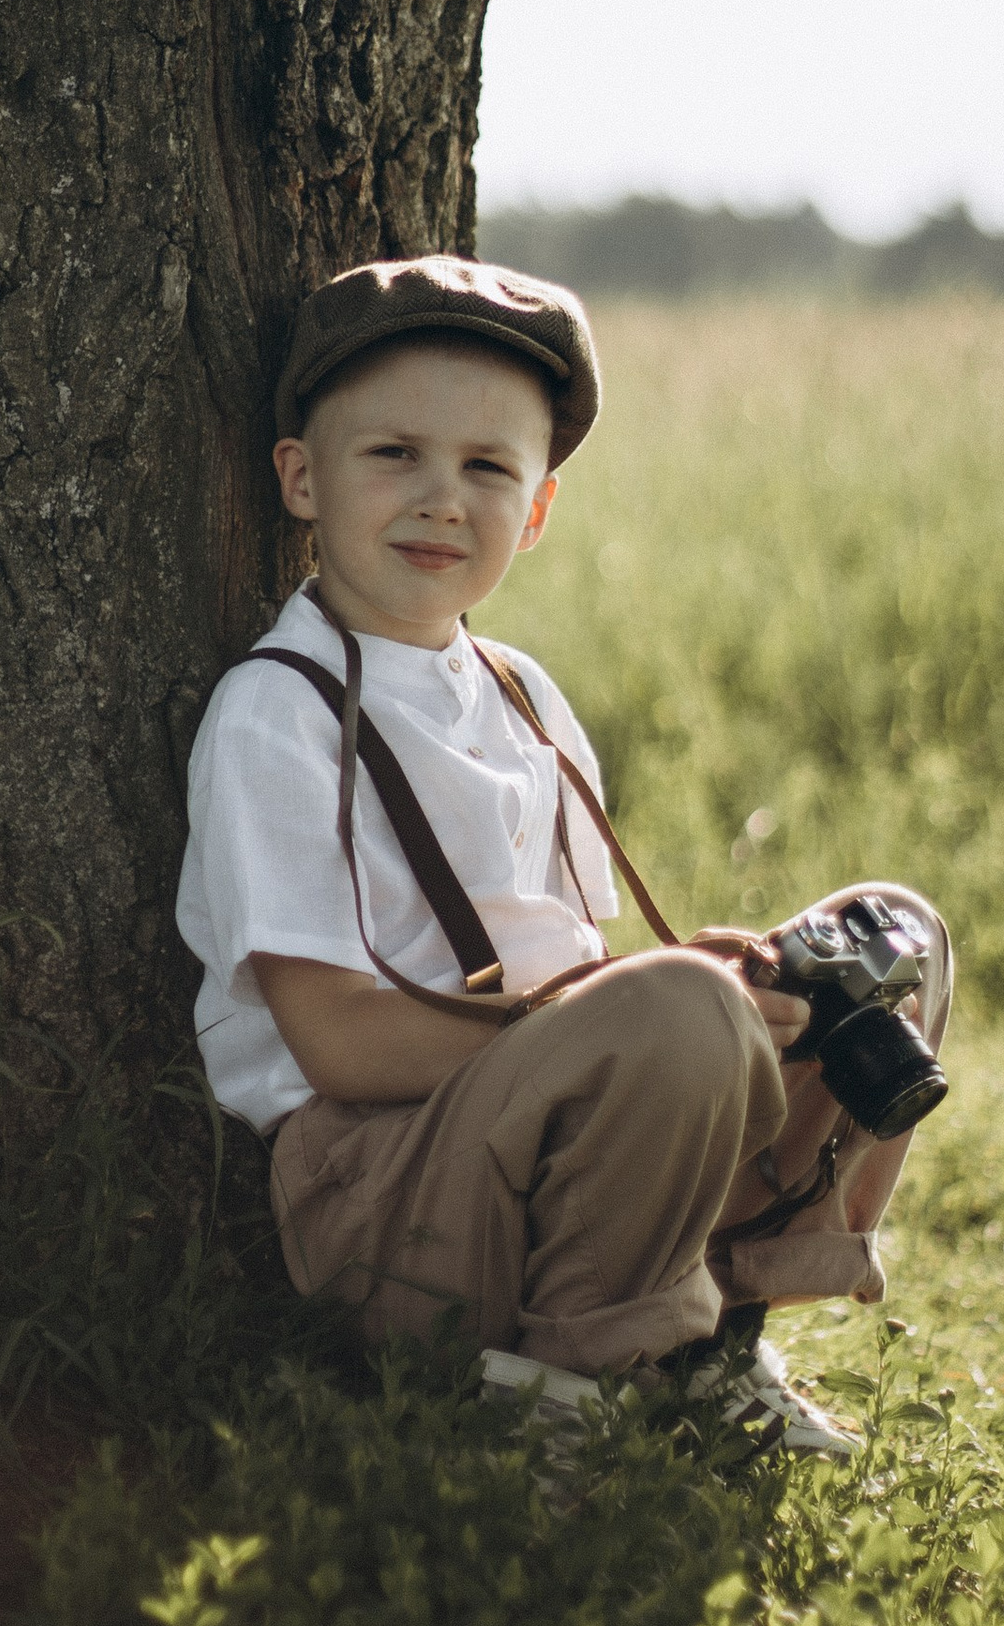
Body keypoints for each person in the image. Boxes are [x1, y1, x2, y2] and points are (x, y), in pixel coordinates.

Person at [175, 255, 954, 1460]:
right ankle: (555, 1406)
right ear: (299, 478)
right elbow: (336, 1040)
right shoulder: (280, 710)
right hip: (385, 1191)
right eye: (394, 455)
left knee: (881, 937)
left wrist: (712, 995)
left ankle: (717, 1336)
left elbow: (572, 960)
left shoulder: (518, 690)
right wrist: (634, 1015)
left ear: (535, 513)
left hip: (534, 1153)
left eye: (489, 468)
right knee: (685, 1008)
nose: (443, 500)